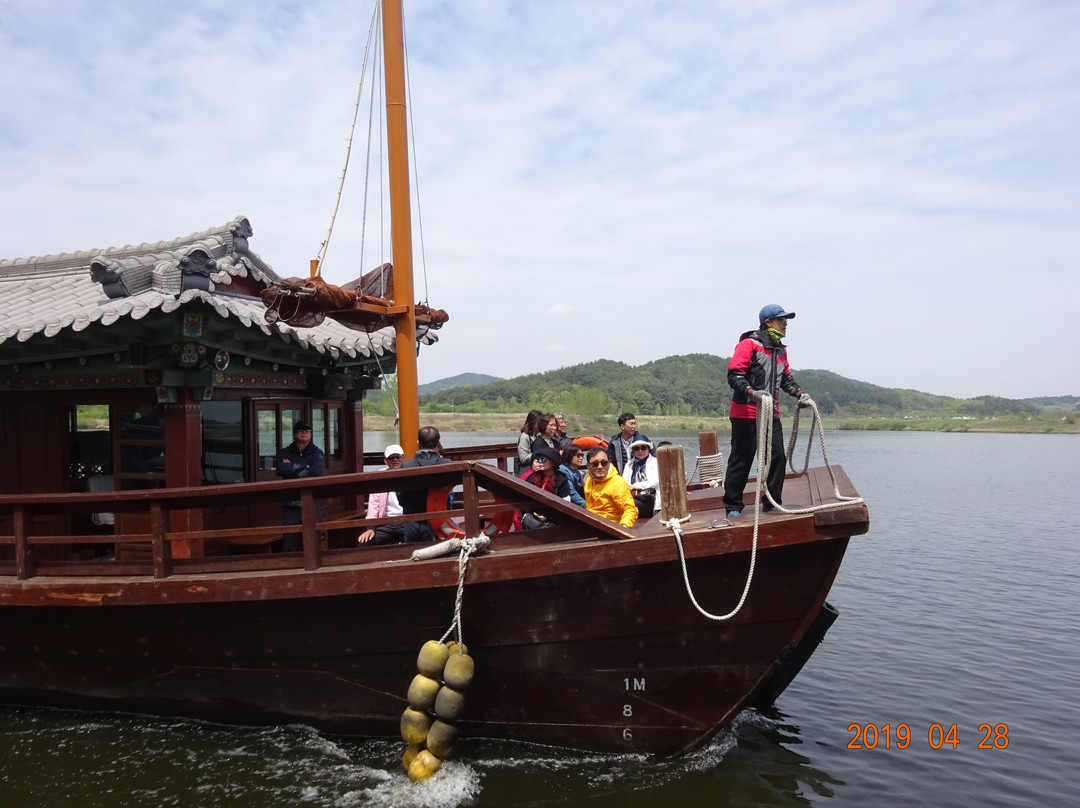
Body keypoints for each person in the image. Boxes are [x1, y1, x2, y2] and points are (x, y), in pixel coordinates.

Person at [724, 304, 807, 517]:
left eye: (786, 321)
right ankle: (733, 505)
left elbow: (785, 378)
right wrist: (752, 392)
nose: (786, 324)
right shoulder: (749, 344)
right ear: (768, 322)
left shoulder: (780, 349)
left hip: (771, 413)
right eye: (782, 320)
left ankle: (771, 501)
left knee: (778, 456)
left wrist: (799, 393)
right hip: (746, 414)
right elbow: (734, 375)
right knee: (742, 459)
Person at [274, 420, 325, 551]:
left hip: (312, 502)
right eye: (300, 430)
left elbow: (316, 472)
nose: (304, 433)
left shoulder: (318, 453)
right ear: (294, 434)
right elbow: (282, 469)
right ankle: (288, 569)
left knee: (314, 540)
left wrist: (293, 467)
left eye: (307, 431)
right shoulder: (284, 453)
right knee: (289, 543)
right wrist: (305, 466)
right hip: (290, 503)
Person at [399, 426, 453, 542]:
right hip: (440, 522)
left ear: (418, 444)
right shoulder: (447, 465)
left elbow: (401, 498)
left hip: (412, 521)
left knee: (413, 555)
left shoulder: (406, 466)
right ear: (439, 443)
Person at [358, 444, 406, 545]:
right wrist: (370, 528)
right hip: (385, 523)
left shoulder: (411, 474)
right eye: (391, 458)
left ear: (404, 458)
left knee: (420, 538)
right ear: (386, 461)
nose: (395, 460)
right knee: (364, 542)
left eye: (398, 457)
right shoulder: (379, 477)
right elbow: (373, 505)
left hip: (406, 522)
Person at [520, 444, 575, 529]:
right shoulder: (532, 478)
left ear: (553, 462)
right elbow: (525, 500)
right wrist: (533, 512)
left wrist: (548, 516)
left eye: (544, 459)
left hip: (554, 519)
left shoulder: (561, 479)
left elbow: (565, 504)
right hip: (534, 516)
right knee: (527, 517)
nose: (540, 462)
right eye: (538, 459)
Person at [584, 446, 638, 528]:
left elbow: (630, 509)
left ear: (609, 464)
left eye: (604, 463)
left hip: (610, 529)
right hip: (591, 526)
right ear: (588, 466)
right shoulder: (589, 481)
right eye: (595, 464)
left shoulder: (617, 483)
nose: (600, 467)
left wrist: (624, 527)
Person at [621, 438, 660, 518]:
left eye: (643, 448)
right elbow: (624, 482)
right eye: (636, 448)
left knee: (630, 505)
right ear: (633, 451)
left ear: (648, 449)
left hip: (650, 498)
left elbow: (655, 482)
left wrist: (635, 486)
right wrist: (631, 489)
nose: (640, 451)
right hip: (632, 495)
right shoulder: (629, 464)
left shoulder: (655, 462)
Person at [516, 410, 543, 474]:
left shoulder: (536, 436)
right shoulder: (525, 436)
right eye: (539, 422)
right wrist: (539, 452)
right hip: (525, 471)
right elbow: (523, 459)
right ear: (532, 422)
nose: (541, 424)